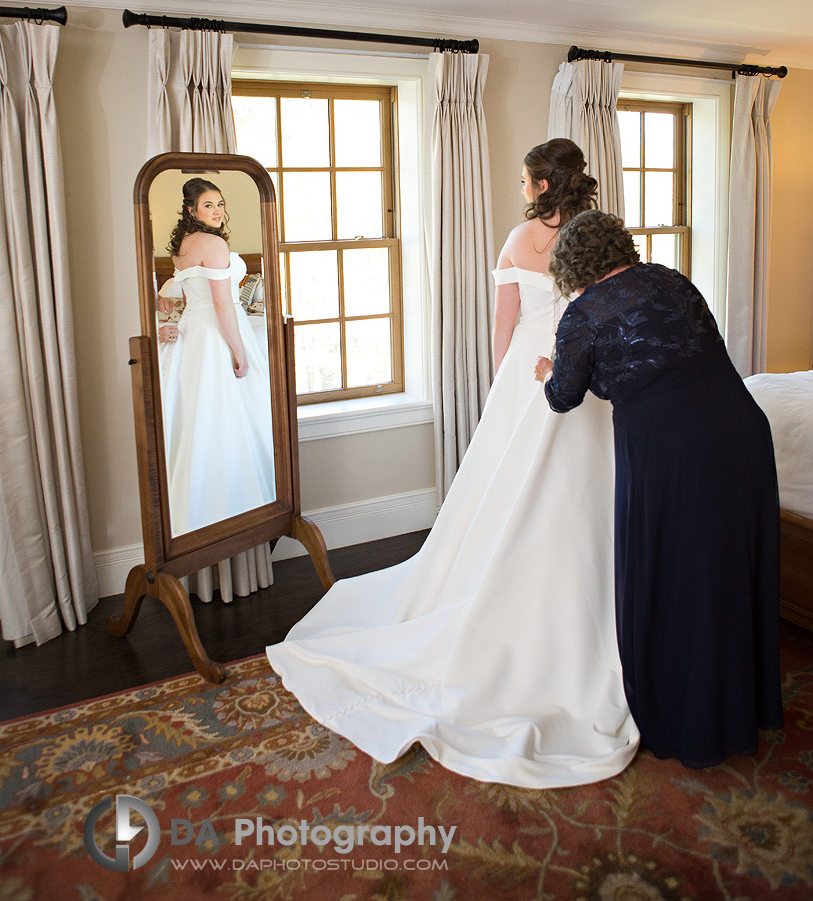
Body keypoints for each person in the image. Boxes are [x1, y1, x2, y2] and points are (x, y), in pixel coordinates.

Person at [266, 140, 640, 789]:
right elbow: (611, 308)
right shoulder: (592, 237)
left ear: (542, 184)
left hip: (533, 371)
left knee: (512, 492)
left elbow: (505, 323)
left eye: (525, 181)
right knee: (589, 492)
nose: (521, 190)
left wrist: (505, 385)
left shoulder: (518, 238)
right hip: (588, 368)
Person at [534, 210, 783, 768]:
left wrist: (550, 369)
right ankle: (742, 706)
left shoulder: (585, 312)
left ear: (573, 263)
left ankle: (689, 720)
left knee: (682, 580)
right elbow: (673, 357)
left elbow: (563, 397)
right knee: (731, 574)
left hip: (678, 451)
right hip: (744, 431)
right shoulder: (673, 279)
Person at [158, 178, 276, 536]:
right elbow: (224, 303)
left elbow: (175, 290)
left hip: (193, 332)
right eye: (209, 205)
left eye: (220, 204)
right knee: (231, 416)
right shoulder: (213, 244)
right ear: (192, 210)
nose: (218, 211)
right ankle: (238, 510)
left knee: (197, 416)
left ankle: (192, 516)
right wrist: (239, 351)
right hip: (218, 331)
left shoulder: (182, 245)